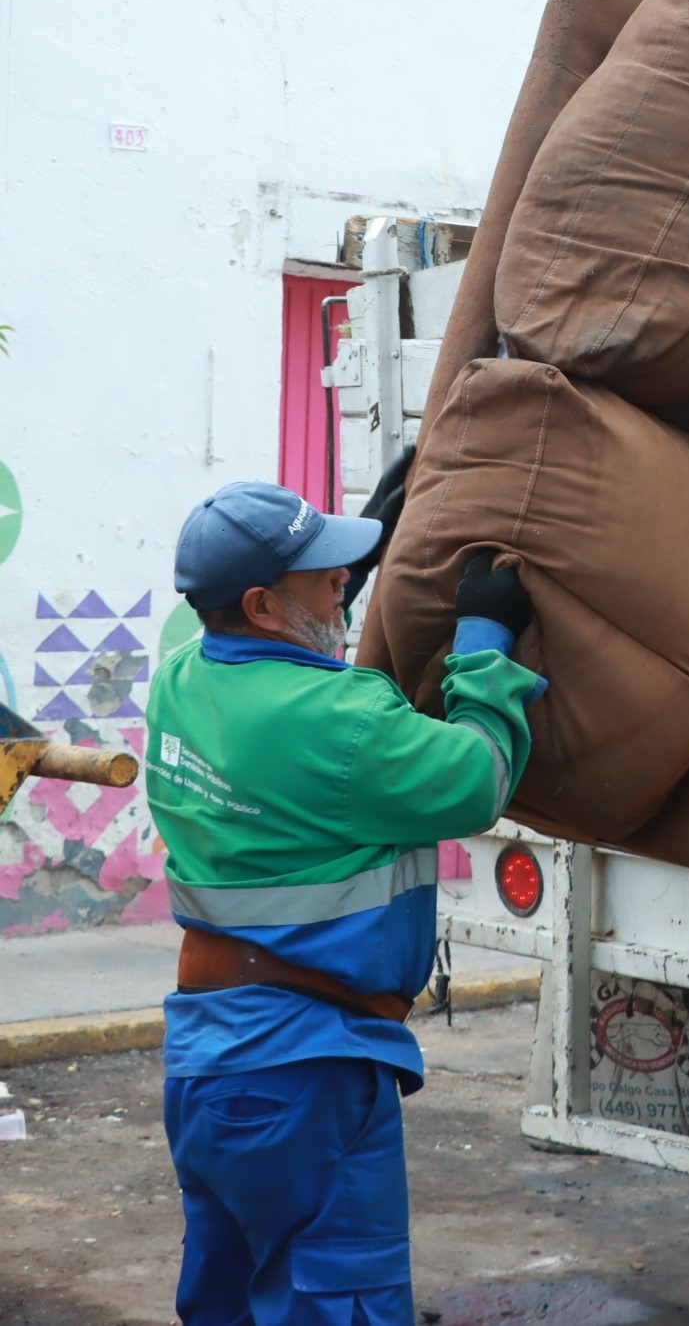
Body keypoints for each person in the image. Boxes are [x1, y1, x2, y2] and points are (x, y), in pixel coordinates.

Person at [146, 480, 542, 1326]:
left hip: (208, 1066)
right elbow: (478, 778)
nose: (341, 582)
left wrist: (337, 575)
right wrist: (484, 637)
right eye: (322, 572)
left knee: (228, 1307)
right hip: (305, 1075)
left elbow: (287, 675)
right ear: (258, 602)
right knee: (337, 1307)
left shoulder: (180, 680)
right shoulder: (343, 719)